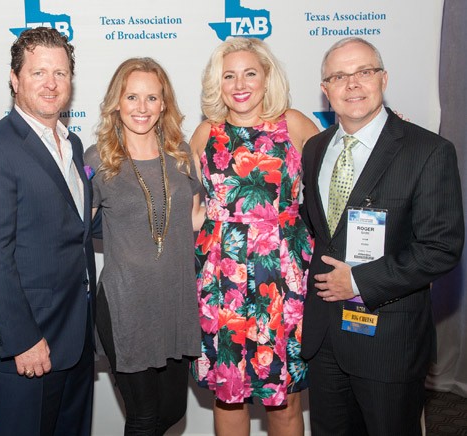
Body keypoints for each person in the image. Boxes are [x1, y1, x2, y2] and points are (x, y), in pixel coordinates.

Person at [300, 37, 464, 436]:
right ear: (325, 90)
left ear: (383, 79)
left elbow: (441, 247)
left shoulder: (428, 150)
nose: (352, 83)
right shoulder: (314, 149)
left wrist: (357, 281)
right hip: (325, 340)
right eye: (339, 76)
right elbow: (316, 229)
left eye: (363, 72)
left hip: (388, 340)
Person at [0, 27, 96, 436]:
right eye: (38, 73)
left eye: (61, 73)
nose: (51, 83)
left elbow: (77, 227)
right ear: (15, 80)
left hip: (76, 337)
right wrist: (21, 339)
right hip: (31, 344)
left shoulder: (71, 145)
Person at [189, 37, 318, 435]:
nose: (239, 83)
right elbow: (189, 207)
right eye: (229, 75)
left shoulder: (293, 125)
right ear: (218, 84)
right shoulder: (204, 134)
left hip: (284, 279)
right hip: (221, 282)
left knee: (286, 397)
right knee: (228, 393)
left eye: (249, 73)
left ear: (267, 78)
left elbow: (331, 187)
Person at [83, 57, 203, 435]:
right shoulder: (97, 159)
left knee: (171, 413)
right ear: (116, 101)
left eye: (152, 98)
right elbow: (75, 227)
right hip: (125, 304)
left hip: (175, 302)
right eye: (132, 97)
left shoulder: (182, 154)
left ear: (164, 103)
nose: (142, 108)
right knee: (144, 417)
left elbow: (198, 218)